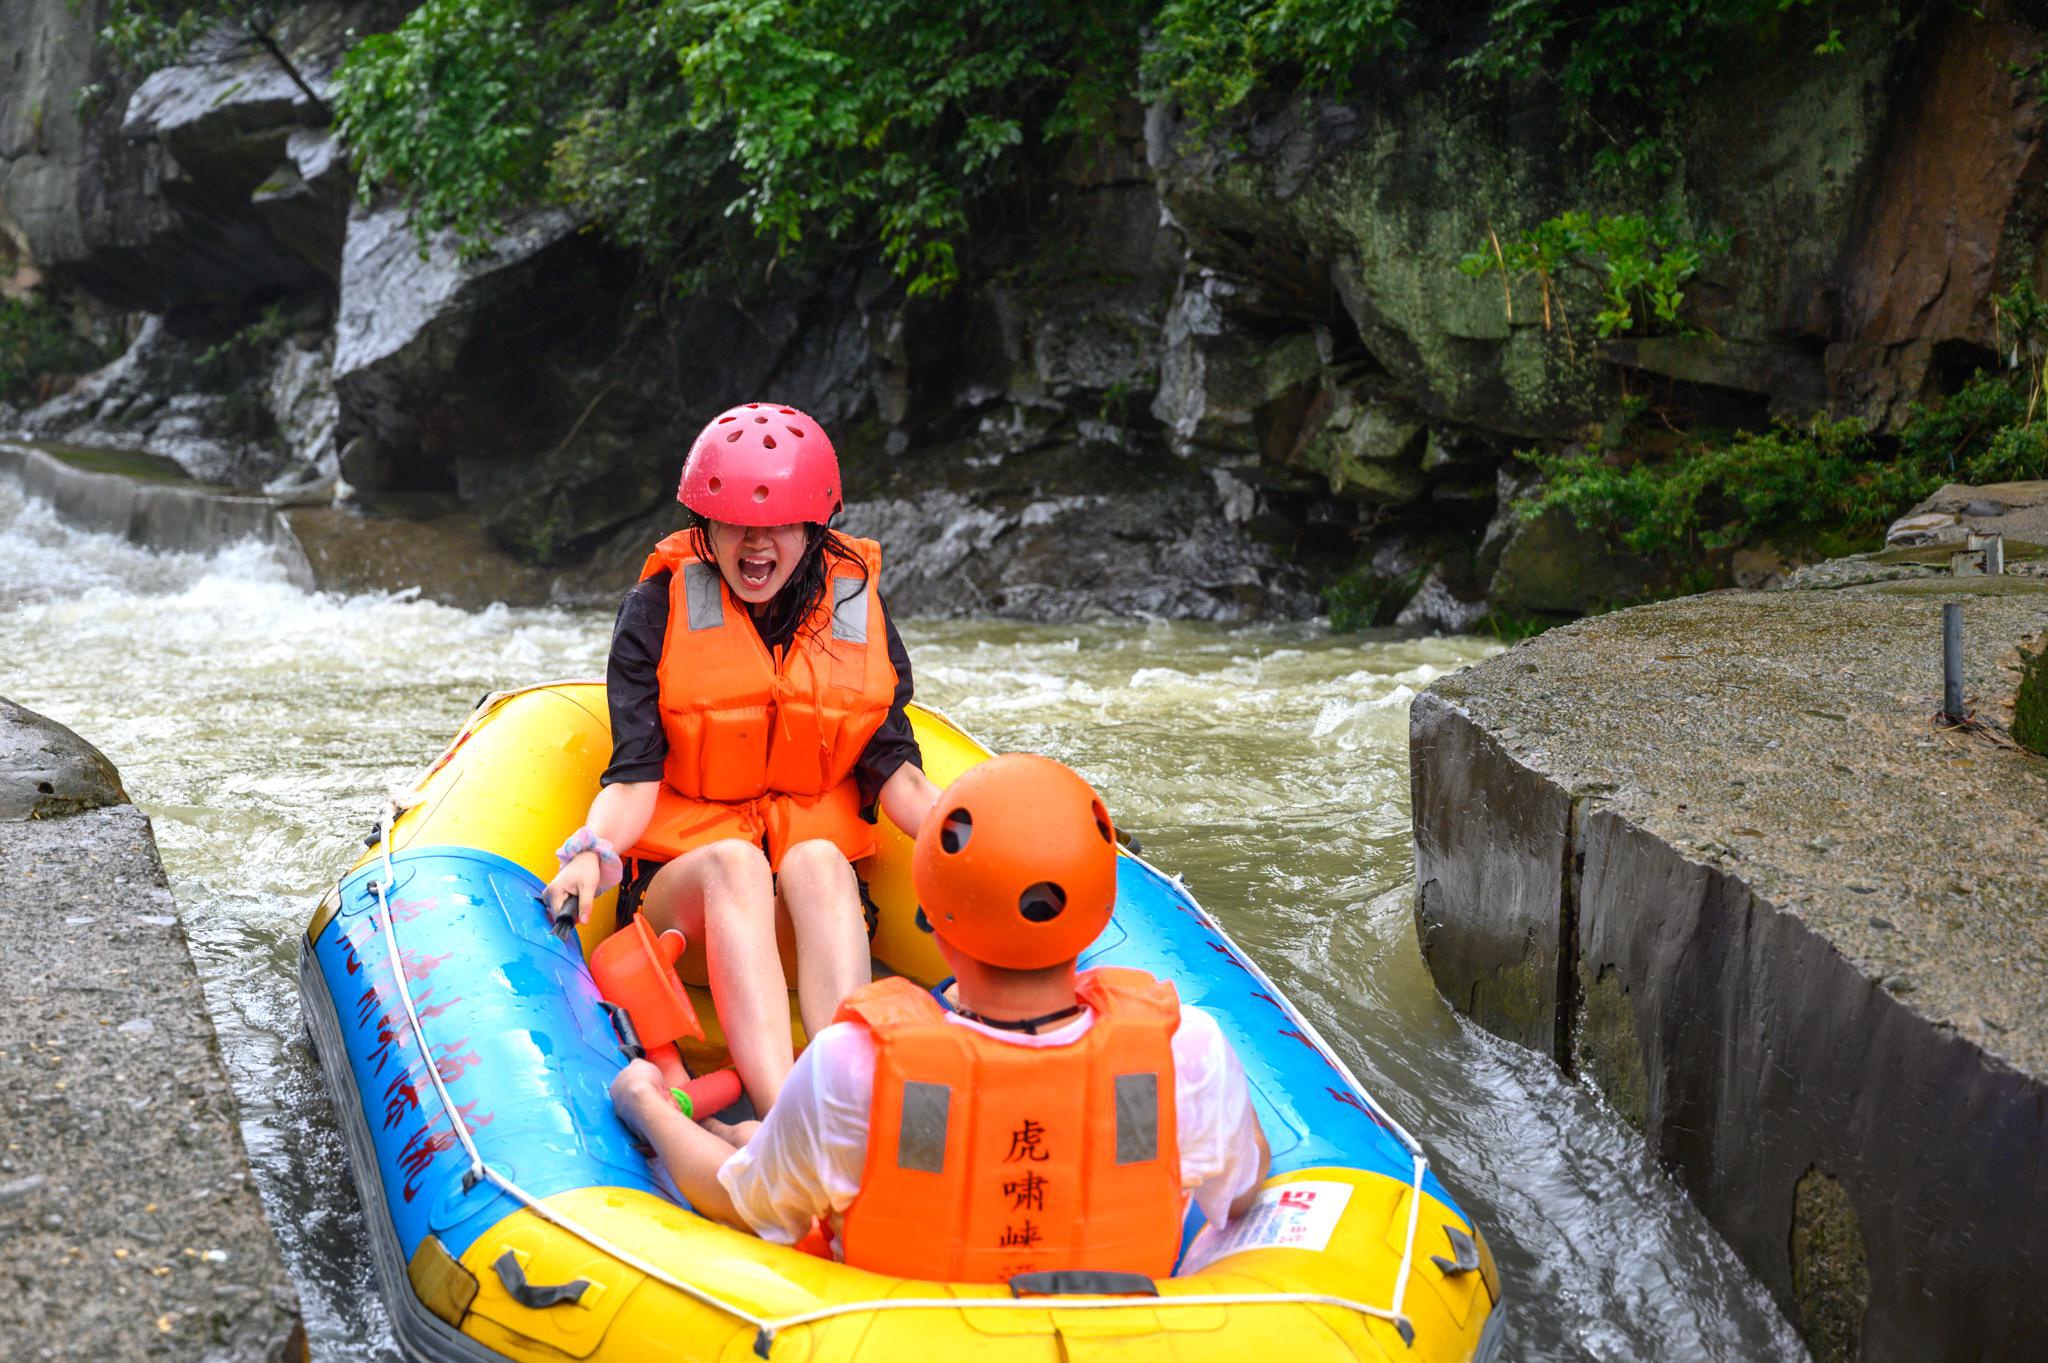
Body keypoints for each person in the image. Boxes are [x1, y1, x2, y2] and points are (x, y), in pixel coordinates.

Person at [609, 753, 1271, 1283]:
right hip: (1124, 1331)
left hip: (896, 1328)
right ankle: (747, 1133)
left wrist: (648, 1105)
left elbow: (740, 1204)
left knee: (753, 1145)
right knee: (764, 1138)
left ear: (935, 922)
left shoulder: (854, 1064)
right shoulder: (1188, 1048)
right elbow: (1240, 1198)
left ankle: (729, 1129)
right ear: (1099, 916)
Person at [546, 402, 939, 1115]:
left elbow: (898, 771)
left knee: (820, 859)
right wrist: (590, 853)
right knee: (736, 863)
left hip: (803, 921)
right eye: (735, 523)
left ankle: (846, 1102)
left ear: (814, 529)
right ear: (706, 525)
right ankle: (786, 1114)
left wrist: (970, 837)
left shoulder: (855, 609)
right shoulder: (656, 611)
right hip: (688, 908)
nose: (756, 544)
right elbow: (634, 777)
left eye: (778, 524)